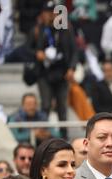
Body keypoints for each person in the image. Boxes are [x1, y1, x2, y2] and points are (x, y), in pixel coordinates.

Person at [35, 1, 78, 140]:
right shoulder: (39, 29)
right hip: (44, 73)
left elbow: (74, 50)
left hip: (62, 73)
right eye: (47, 12)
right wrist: (37, 53)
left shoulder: (66, 29)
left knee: (62, 107)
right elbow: (29, 48)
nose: (50, 15)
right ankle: (42, 139)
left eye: (52, 12)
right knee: (46, 105)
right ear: (43, 13)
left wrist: (72, 68)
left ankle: (64, 137)